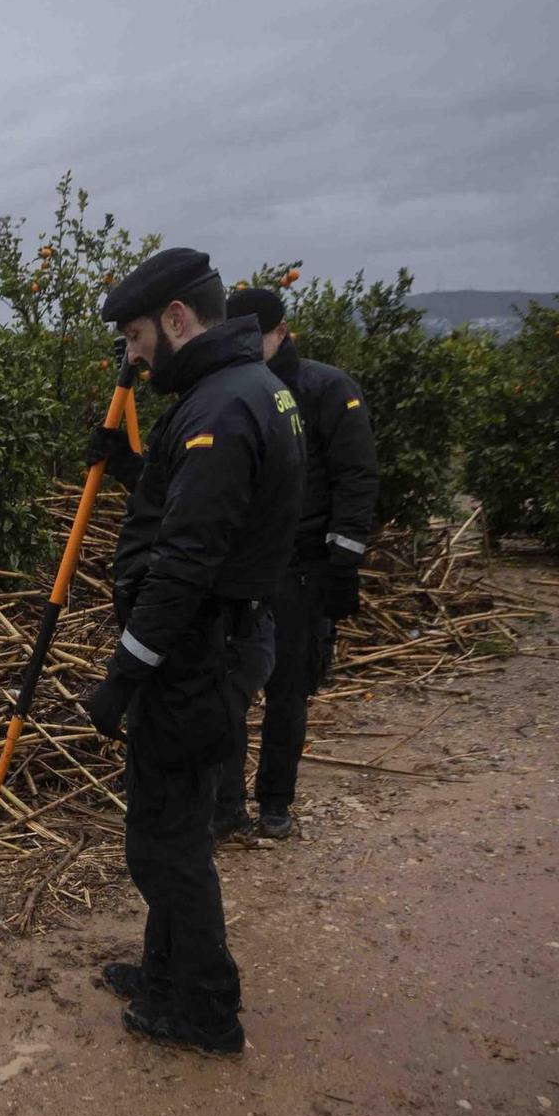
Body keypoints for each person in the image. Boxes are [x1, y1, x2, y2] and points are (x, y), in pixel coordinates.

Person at [80, 247, 303, 1055]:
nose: (133, 355)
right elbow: (195, 506)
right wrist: (134, 468)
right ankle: (164, 968)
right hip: (214, 645)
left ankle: (205, 1006)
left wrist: (122, 675)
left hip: (197, 655)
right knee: (171, 823)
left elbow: (185, 565)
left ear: (177, 319)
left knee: (165, 840)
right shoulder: (237, 393)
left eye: (138, 335)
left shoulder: (220, 407)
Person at [219, 286, 379, 839]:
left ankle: (275, 804)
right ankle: (227, 806)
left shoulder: (326, 388)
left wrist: (343, 561)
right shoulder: (228, 392)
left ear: (281, 331)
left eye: (254, 337)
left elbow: (355, 477)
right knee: (230, 688)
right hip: (243, 570)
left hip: (302, 567)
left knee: (287, 688)